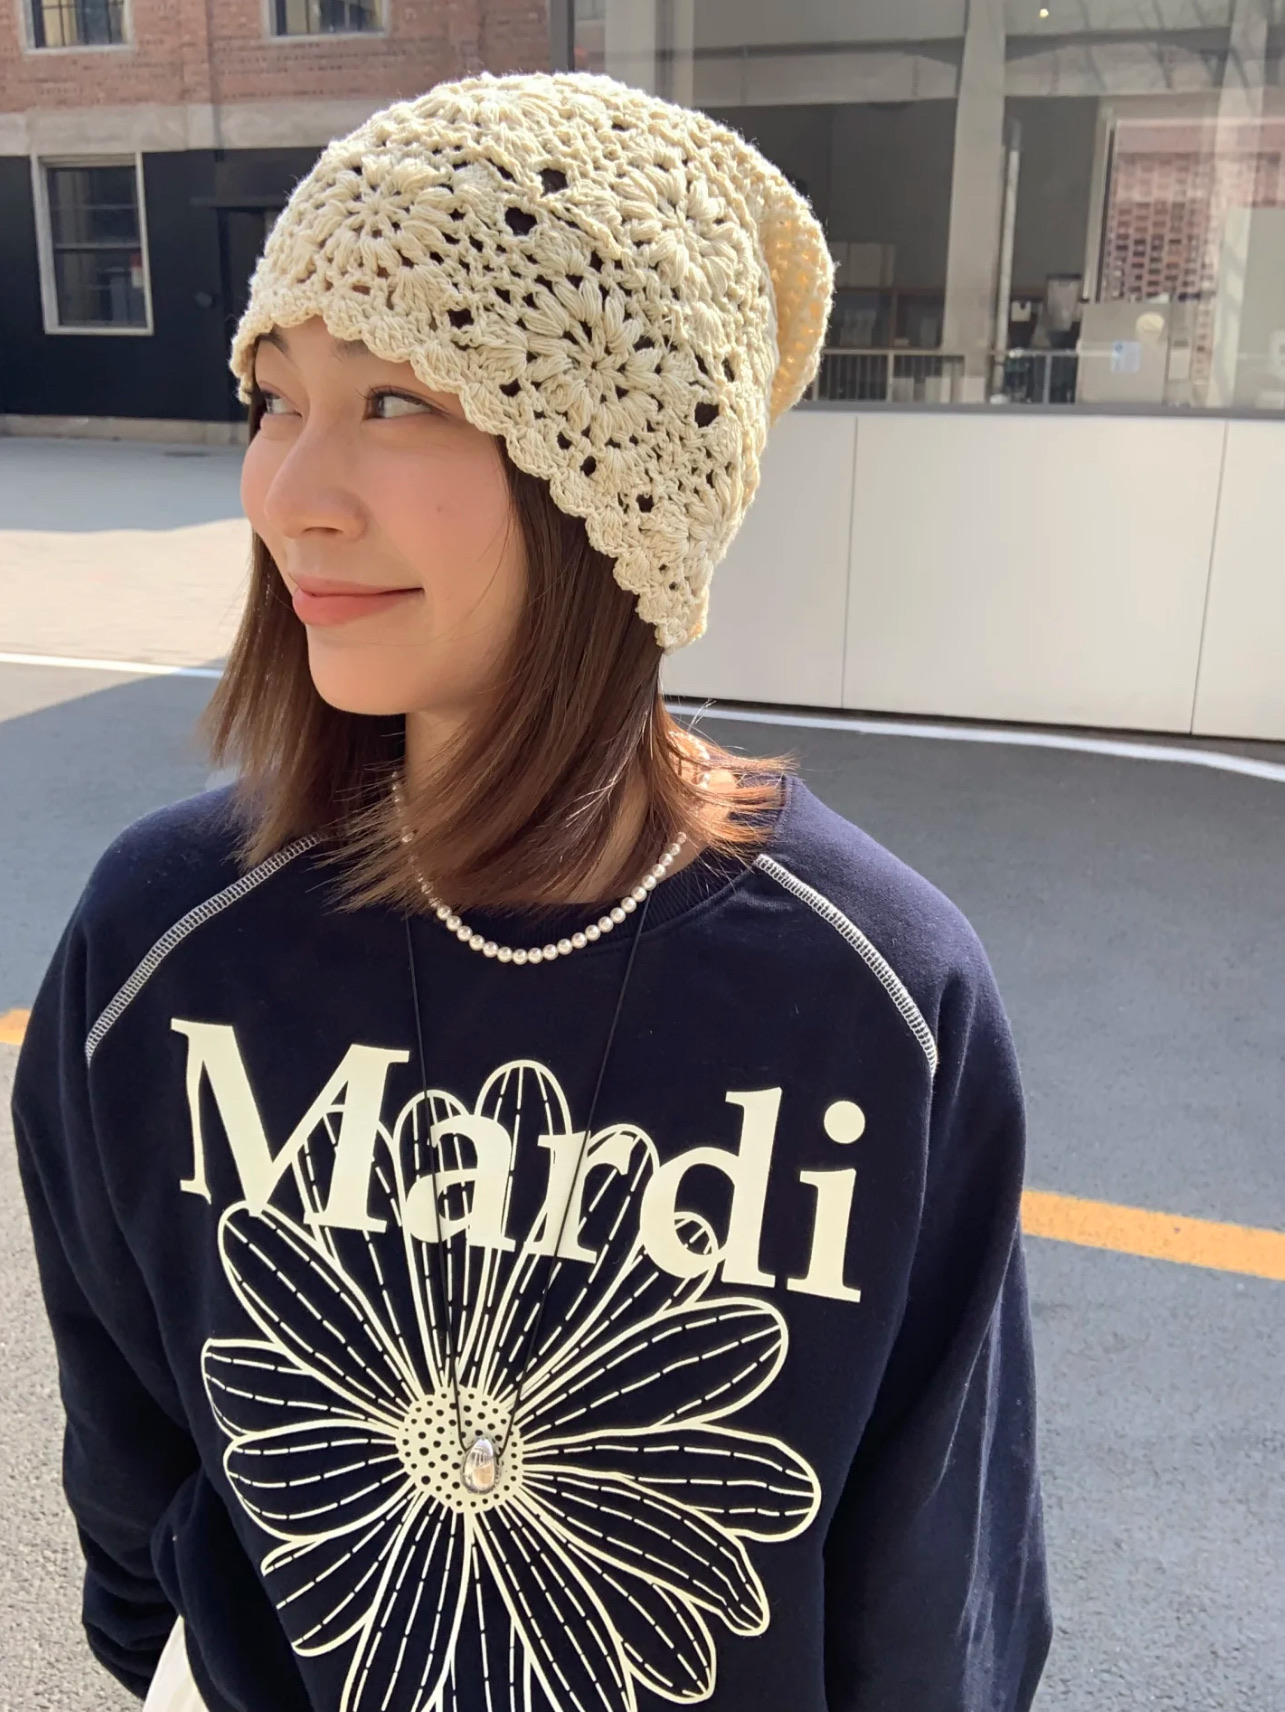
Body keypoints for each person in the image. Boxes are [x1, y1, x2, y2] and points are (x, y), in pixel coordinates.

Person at [12, 70, 1051, 1712]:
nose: (292, 493)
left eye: (396, 400)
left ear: (615, 485)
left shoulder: (875, 999)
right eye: (275, 398)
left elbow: (934, 1592)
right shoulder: (164, 941)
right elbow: (134, 1457)